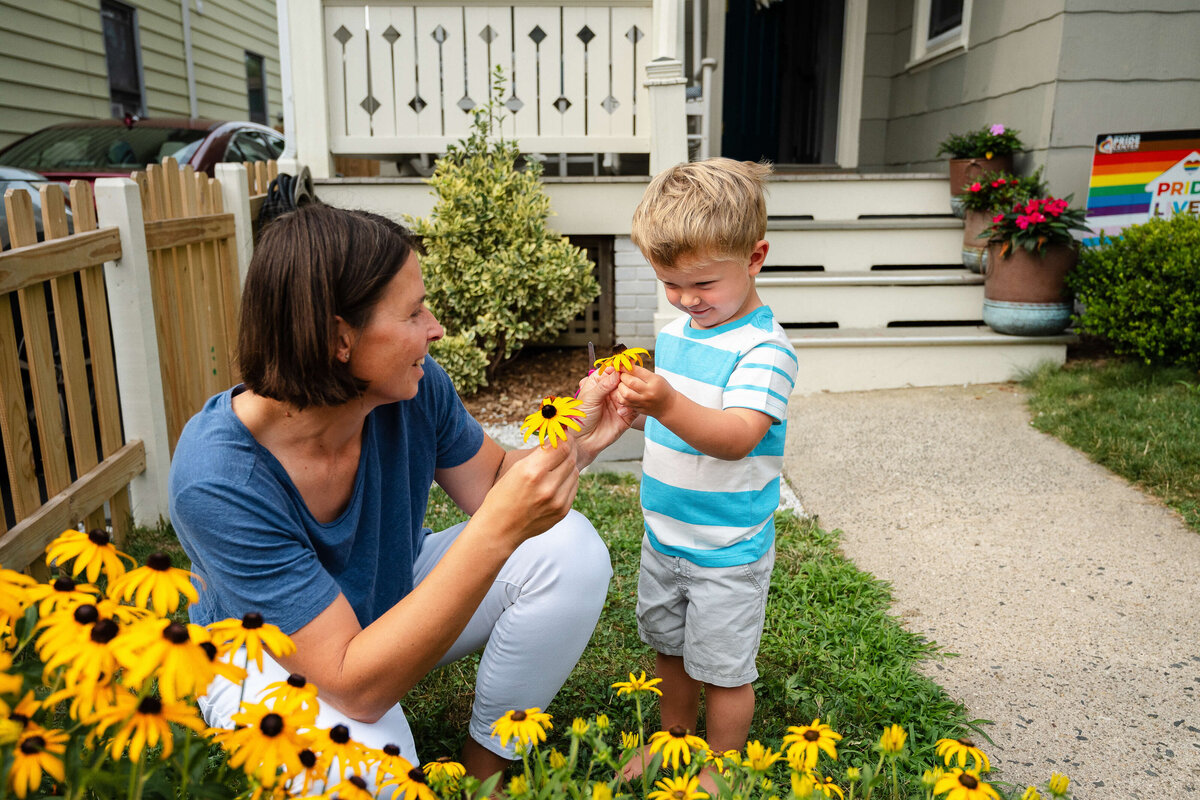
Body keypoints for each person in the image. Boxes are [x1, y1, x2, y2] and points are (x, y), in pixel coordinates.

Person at [168, 203, 633, 785]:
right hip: (271, 657)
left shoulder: (412, 386)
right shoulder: (217, 480)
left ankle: (484, 771)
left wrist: (578, 438)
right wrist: (495, 532)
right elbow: (351, 684)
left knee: (569, 550)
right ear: (341, 337)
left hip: (383, 597)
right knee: (370, 778)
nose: (436, 329)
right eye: (414, 312)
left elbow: (493, 484)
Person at [614, 159, 799, 778]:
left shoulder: (765, 352)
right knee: (670, 650)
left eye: (701, 285)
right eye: (670, 284)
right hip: (664, 533)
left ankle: (719, 766)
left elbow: (735, 437)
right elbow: (679, 423)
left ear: (755, 257)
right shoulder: (679, 332)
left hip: (727, 546)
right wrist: (638, 409)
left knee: (722, 669)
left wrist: (664, 399)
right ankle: (674, 739)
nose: (687, 299)